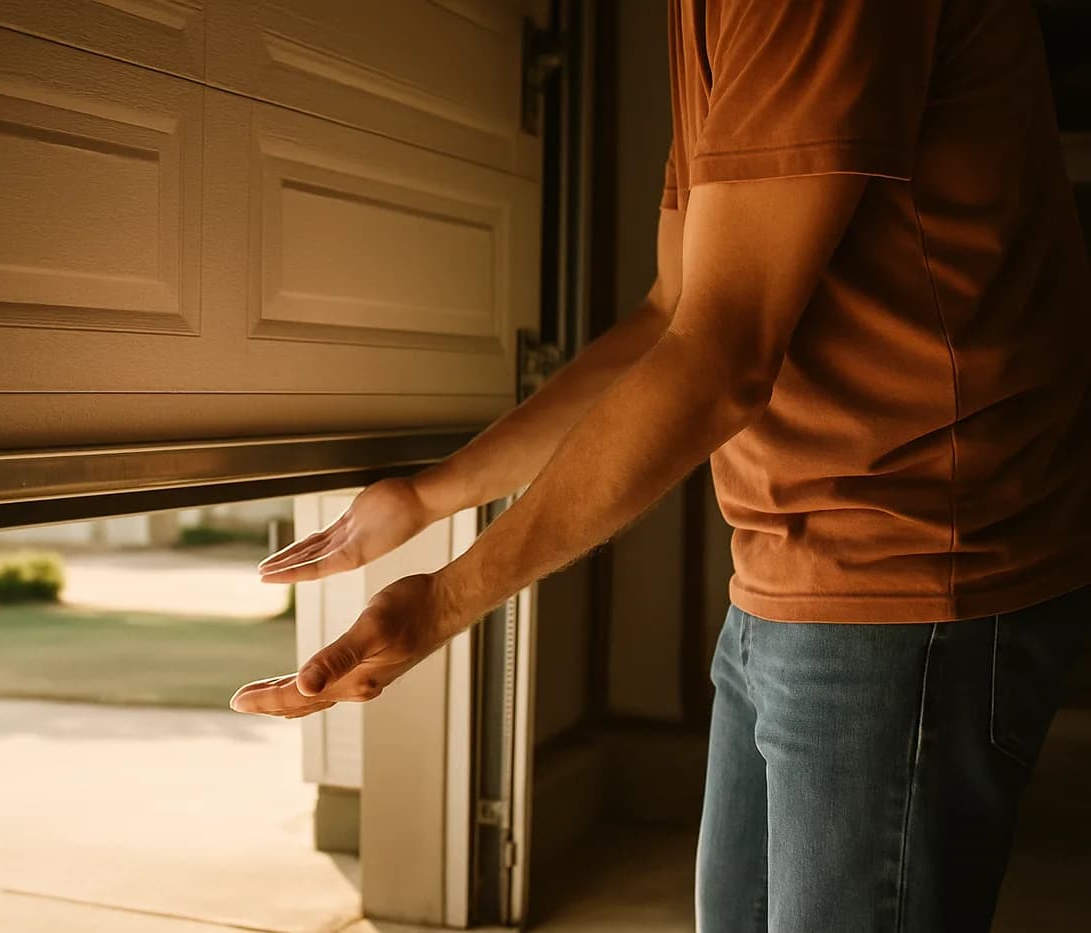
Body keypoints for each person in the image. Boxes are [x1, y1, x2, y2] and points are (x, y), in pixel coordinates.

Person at [230, 1, 1091, 930]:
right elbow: (672, 312)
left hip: (914, 574)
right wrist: (431, 494)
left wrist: (444, 602)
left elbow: (721, 357)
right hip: (785, 567)